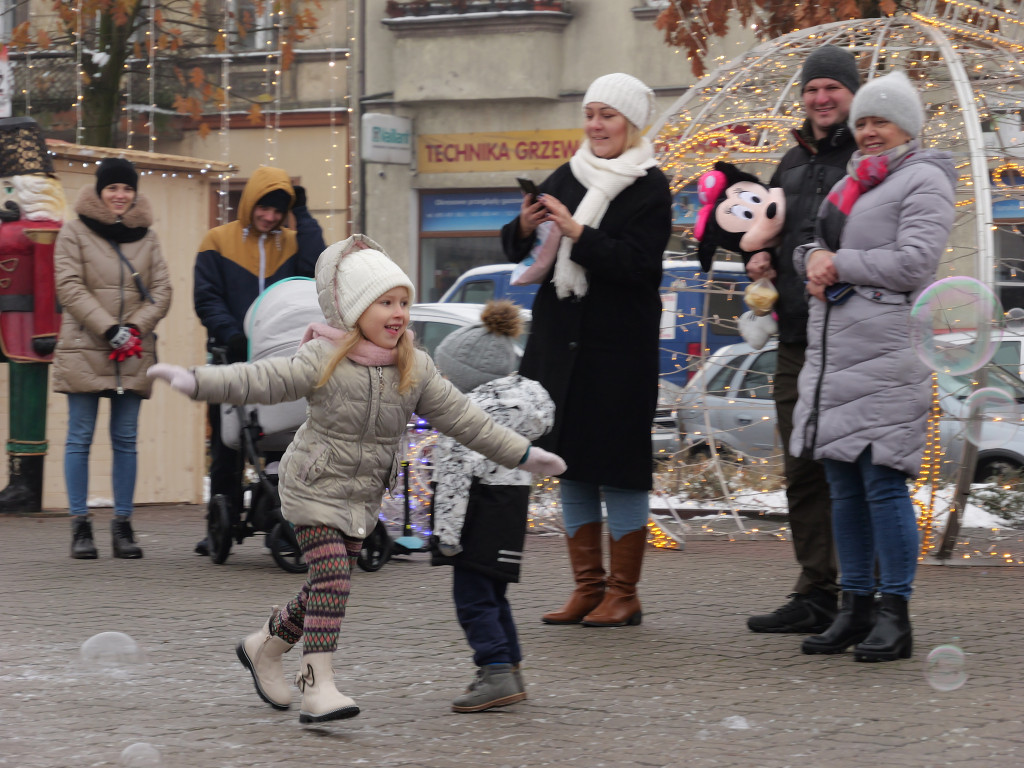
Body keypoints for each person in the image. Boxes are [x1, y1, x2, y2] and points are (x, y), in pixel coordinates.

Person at [149, 237, 566, 724]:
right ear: (354, 310)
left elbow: (467, 419)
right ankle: (316, 685)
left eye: (404, 302)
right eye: (385, 302)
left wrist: (523, 454)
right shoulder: (323, 356)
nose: (398, 313)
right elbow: (261, 379)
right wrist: (198, 381)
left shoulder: (414, 366)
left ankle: (264, 645)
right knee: (332, 577)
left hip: (361, 498)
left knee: (323, 588)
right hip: (312, 486)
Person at [792, 71, 955, 662]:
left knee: (882, 484)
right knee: (842, 485)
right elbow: (810, 240)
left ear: (906, 126)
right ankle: (853, 607)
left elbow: (915, 262)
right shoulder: (851, 182)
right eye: (862, 122)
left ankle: (895, 612)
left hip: (888, 354)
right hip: (838, 356)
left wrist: (839, 262)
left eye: (879, 121)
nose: (868, 132)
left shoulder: (925, 179)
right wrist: (811, 259)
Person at [500, 72, 672, 628]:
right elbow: (524, 244)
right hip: (561, 348)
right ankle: (587, 588)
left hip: (617, 352)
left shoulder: (649, 185)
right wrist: (523, 226)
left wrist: (578, 233)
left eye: (608, 116)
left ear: (630, 123)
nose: (596, 126)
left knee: (619, 469)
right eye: (591, 114)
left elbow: (639, 266)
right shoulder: (568, 173)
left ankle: (624, 592)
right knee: (571, 466)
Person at [746, 45, 861, 635]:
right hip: (795, 336)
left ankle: (856, 590)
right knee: (801, 466)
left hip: (851, 338)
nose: (821, 99)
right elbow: (768, 227)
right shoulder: (789, 161)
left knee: (848, 466)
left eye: (832, 89)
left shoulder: (869, 157)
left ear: (851, 93)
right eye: (812, 89)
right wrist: (761, 260)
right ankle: (815, 586)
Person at [430, 300, 556, 713]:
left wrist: (446, 539)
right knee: (494, 596)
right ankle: (509, 669)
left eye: (445, 374)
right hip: (507, 515)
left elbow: (451, 485)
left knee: (472, 600)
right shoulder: (516, 413)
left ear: (465, 378)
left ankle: (496, 669)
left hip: (475, 518)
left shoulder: (464, 421)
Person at [192, 167, 325, 556]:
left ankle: (287, 509)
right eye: (264, 208)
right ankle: (222, 518)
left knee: (287, 435)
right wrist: (230, 333)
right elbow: (207, 297)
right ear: (250, 203)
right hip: (231, 354)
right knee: (227, 442)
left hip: (281, 358)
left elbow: (318, 270)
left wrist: (303, 215)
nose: (269, 217)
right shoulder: (217, 242)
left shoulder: (292, 242)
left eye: (278, 211)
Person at [52, 157, 173, 559]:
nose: (120, 196)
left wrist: (134, 329)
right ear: (100, 191)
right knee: (79, 437)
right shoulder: (74, 233)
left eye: (126, 189)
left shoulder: (148, 237)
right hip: (85, 346)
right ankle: (80, 526)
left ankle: (122, 525)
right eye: (112, 188)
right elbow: (68, 286)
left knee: (125, 440)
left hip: (132, 351)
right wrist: (109, 328)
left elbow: (162, 290)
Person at [0, 117, 66, 514]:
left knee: (27, 400)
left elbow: (46, 279)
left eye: (10, 187)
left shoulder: (42, 228)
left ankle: (25, 483)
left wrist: (46, 329)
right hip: (6, 321)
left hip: (27, 325)